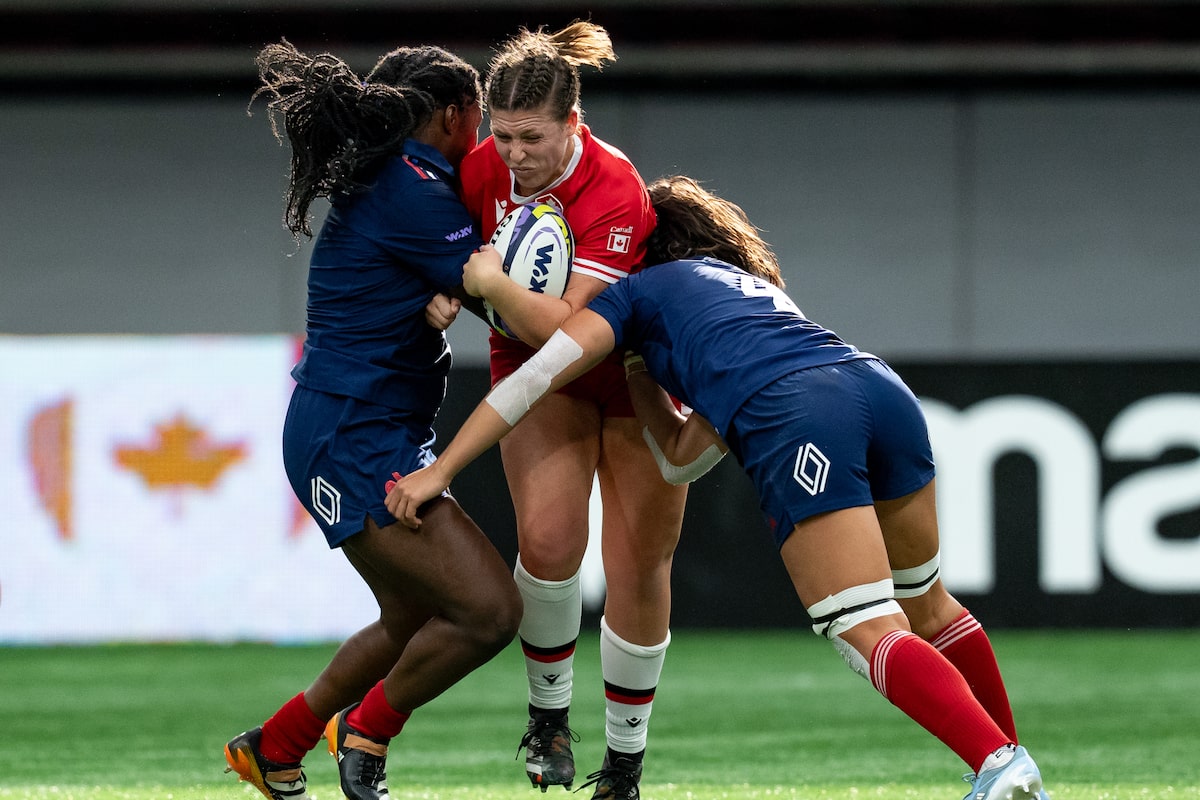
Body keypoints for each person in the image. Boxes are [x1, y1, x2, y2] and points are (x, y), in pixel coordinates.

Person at [388, 175, 1051, 800]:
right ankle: (1012, 766)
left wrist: (442, 467)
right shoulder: (734, 292)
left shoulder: (630, 295)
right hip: (877, 388)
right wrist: (641, 371)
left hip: (800, 413)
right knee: (930, 607)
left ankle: (999, 765)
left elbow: (534, 379)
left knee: (864, 625)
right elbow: (678, 457)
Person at [222, 40, 522, 800]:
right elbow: (502, 302)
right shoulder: (417, 189)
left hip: (359, 425)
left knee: (416, 613)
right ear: (457, 115)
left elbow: (448, 280)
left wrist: (447, 292)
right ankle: (367, 733)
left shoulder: (400, 180)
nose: (486, 135)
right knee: (488, 611)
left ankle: (275, 746)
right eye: (481, 118)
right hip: (349, 435)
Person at [426, 21, 688, 800]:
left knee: (639, 564)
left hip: (629, 368)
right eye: (502, 136)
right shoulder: (477, 168)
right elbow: (448, 256)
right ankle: (547, 719)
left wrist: (489, 289)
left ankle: (626, 765)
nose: (513, 156)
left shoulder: (614, 187)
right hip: (534, 370)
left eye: (531, 138)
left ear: (573, 124)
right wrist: (442, 289)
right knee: (547, 543)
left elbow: (572, 332)